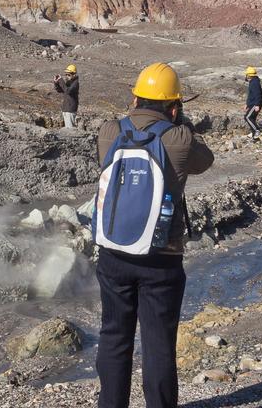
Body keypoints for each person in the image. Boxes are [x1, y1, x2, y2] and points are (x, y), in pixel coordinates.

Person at [96, 63, 214, 408]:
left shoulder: (108, 130)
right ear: (174, 106)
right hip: (161, 258)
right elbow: (204, 160)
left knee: (114, 336)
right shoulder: (178, 138)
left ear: (134, 98)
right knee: (159, 342)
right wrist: (181, 124)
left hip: (113, 253)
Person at [244, 67, 262, 140]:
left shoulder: (255, 83)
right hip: (252, 104)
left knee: (247, 117)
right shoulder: (253, 82)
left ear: (249, 75)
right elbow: (250, 95)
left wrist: (257, 104)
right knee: (252, 119)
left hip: (255, 105)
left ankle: (257, 130)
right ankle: (255, 138)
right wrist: (247, 104)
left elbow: (258, 94)